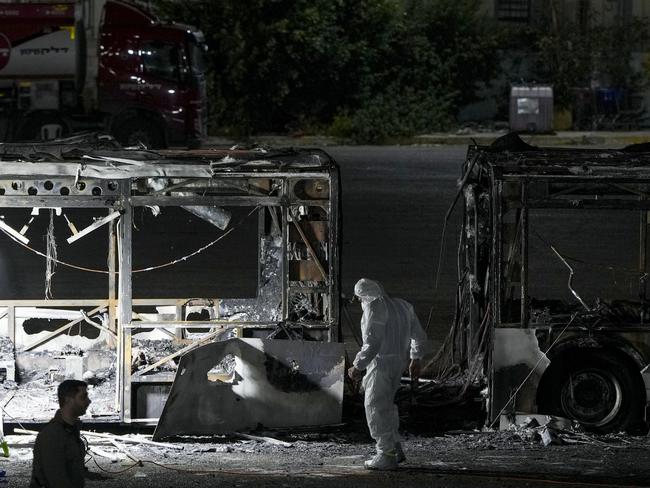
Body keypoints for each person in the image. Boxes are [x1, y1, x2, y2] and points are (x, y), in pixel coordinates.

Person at [347, 278, 427, 470]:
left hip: (380, 364)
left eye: (359, 299)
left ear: (363, 296)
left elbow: (372, 343)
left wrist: (357, 366)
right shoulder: (403, 306)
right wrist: (416, 358)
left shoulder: (375, 307)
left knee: (374, 407)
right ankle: (396, 448)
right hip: (398, 363)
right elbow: (419, 335)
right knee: (387, 406)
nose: (360, 303)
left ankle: (386, 455)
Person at [30, 379, 91, 488]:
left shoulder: (71, 431)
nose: (88, 401)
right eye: (83, 397)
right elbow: (57, 481)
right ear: (68, 400)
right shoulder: (52, 435)